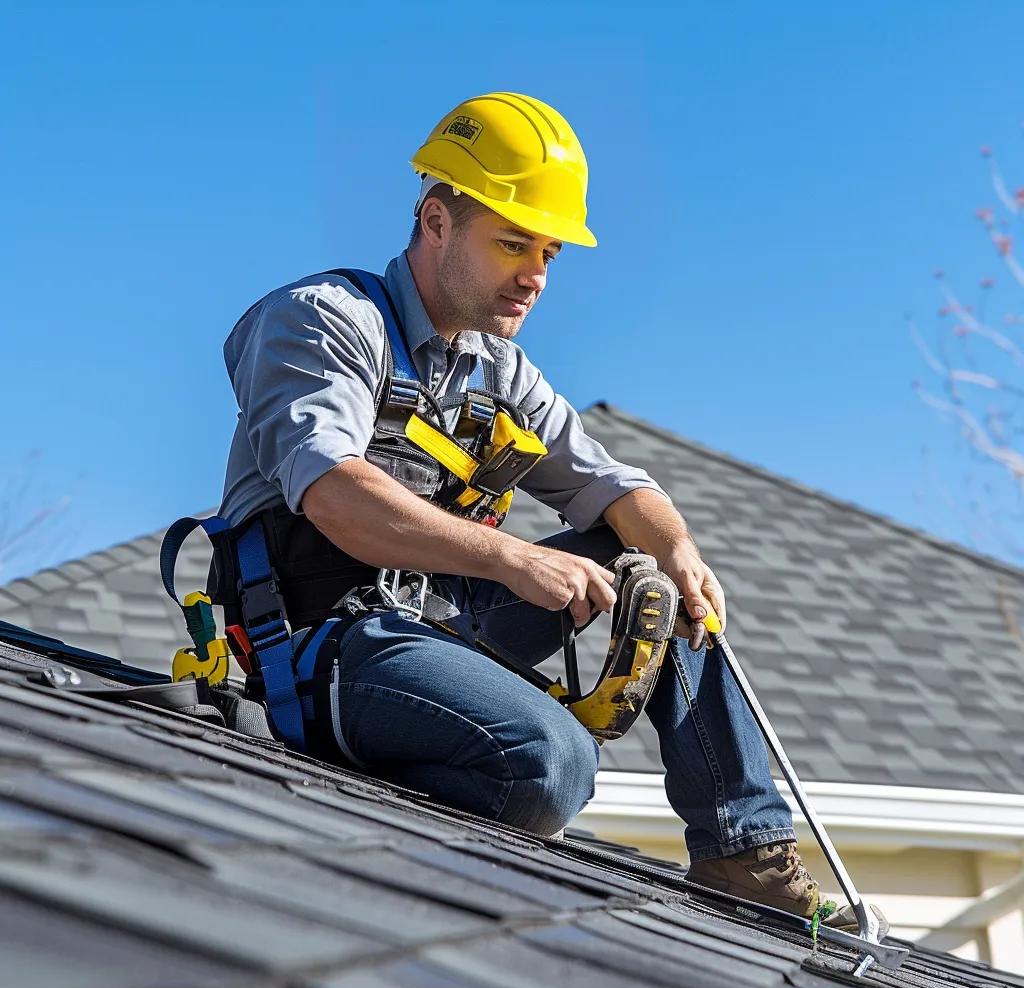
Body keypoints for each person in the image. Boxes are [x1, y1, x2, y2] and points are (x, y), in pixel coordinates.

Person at [215, 91, 862, 928]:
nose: (535, 275)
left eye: (550, 252)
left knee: (646, 568)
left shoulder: (498, 371)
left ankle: (743, 850)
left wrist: (680, 550)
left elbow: (617, 487)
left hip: (432, 633)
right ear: (436, 220)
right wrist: (512, 558)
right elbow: (337, 496)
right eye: (513, 243)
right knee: (551, 766)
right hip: (320, 642)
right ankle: (409, 789)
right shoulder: (323, 323)